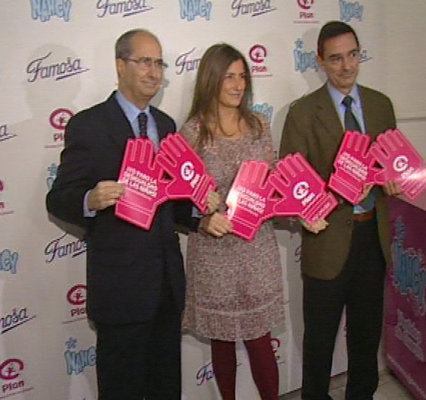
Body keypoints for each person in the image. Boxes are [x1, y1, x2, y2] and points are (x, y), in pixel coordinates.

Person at [46, 29, 197, 400]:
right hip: (121, 289)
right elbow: (58, 198)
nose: (153, 72)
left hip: (166, 284)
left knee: (166, 387)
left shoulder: (166, 125)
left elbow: (171, 201)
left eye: (159, 63)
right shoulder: (89, 125)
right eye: (144, 61)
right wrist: (90, 199)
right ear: (120, 65)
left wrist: (200, 207)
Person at [280, 21, 401, 400]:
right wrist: (338, 189)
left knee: (366, 337)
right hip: (327, 241)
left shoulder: (381, 105)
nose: (347, 66)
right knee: (319, 340)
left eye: (352, 55)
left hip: (372, 238)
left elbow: (390, 165)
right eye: (335, 59)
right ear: (320, 61)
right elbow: (289, 183)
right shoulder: (303, 113)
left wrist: (391, 179)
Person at [180, 43, 285, 400]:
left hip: (257, 250)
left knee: (260, 340)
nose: (238, 85)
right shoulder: (192, 132)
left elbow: (273, 180)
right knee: (222, 340)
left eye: (242, 76)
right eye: (229, 77)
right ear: (211, 79)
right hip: (214, 253)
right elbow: (181, 197)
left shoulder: (259, 125)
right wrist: (203, 217)